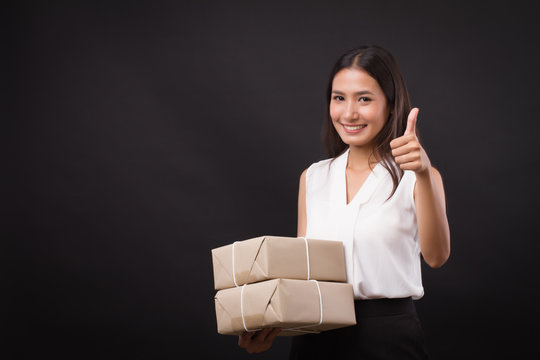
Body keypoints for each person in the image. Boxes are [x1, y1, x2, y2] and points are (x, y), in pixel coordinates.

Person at [238, 45, 450, 359]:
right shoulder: (313, 178)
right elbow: (304, 277)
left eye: (364, 98)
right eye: (339, 98)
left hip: (387, 338)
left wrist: (421, 173)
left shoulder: (418, 177)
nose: (349, 113)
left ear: (391, 105)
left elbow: (437, 256)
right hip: (316, 337)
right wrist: (268, 327)